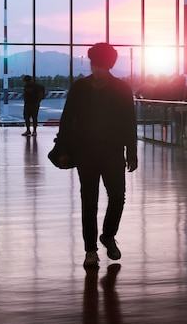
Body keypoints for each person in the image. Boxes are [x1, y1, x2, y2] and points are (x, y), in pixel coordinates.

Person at [56, 43, 138, 268]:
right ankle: (90, 250)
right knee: (89, 200)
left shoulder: (121, 88)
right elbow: (67, 119)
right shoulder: (80, 87)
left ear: (108, 65)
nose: (96, 69)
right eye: (94, 64)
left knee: (117, 197)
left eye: (100, 65)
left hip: (112, 151)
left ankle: (108, 235)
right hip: (86, 151)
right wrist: (63, 149)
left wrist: (132, 152)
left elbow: (129, 122)